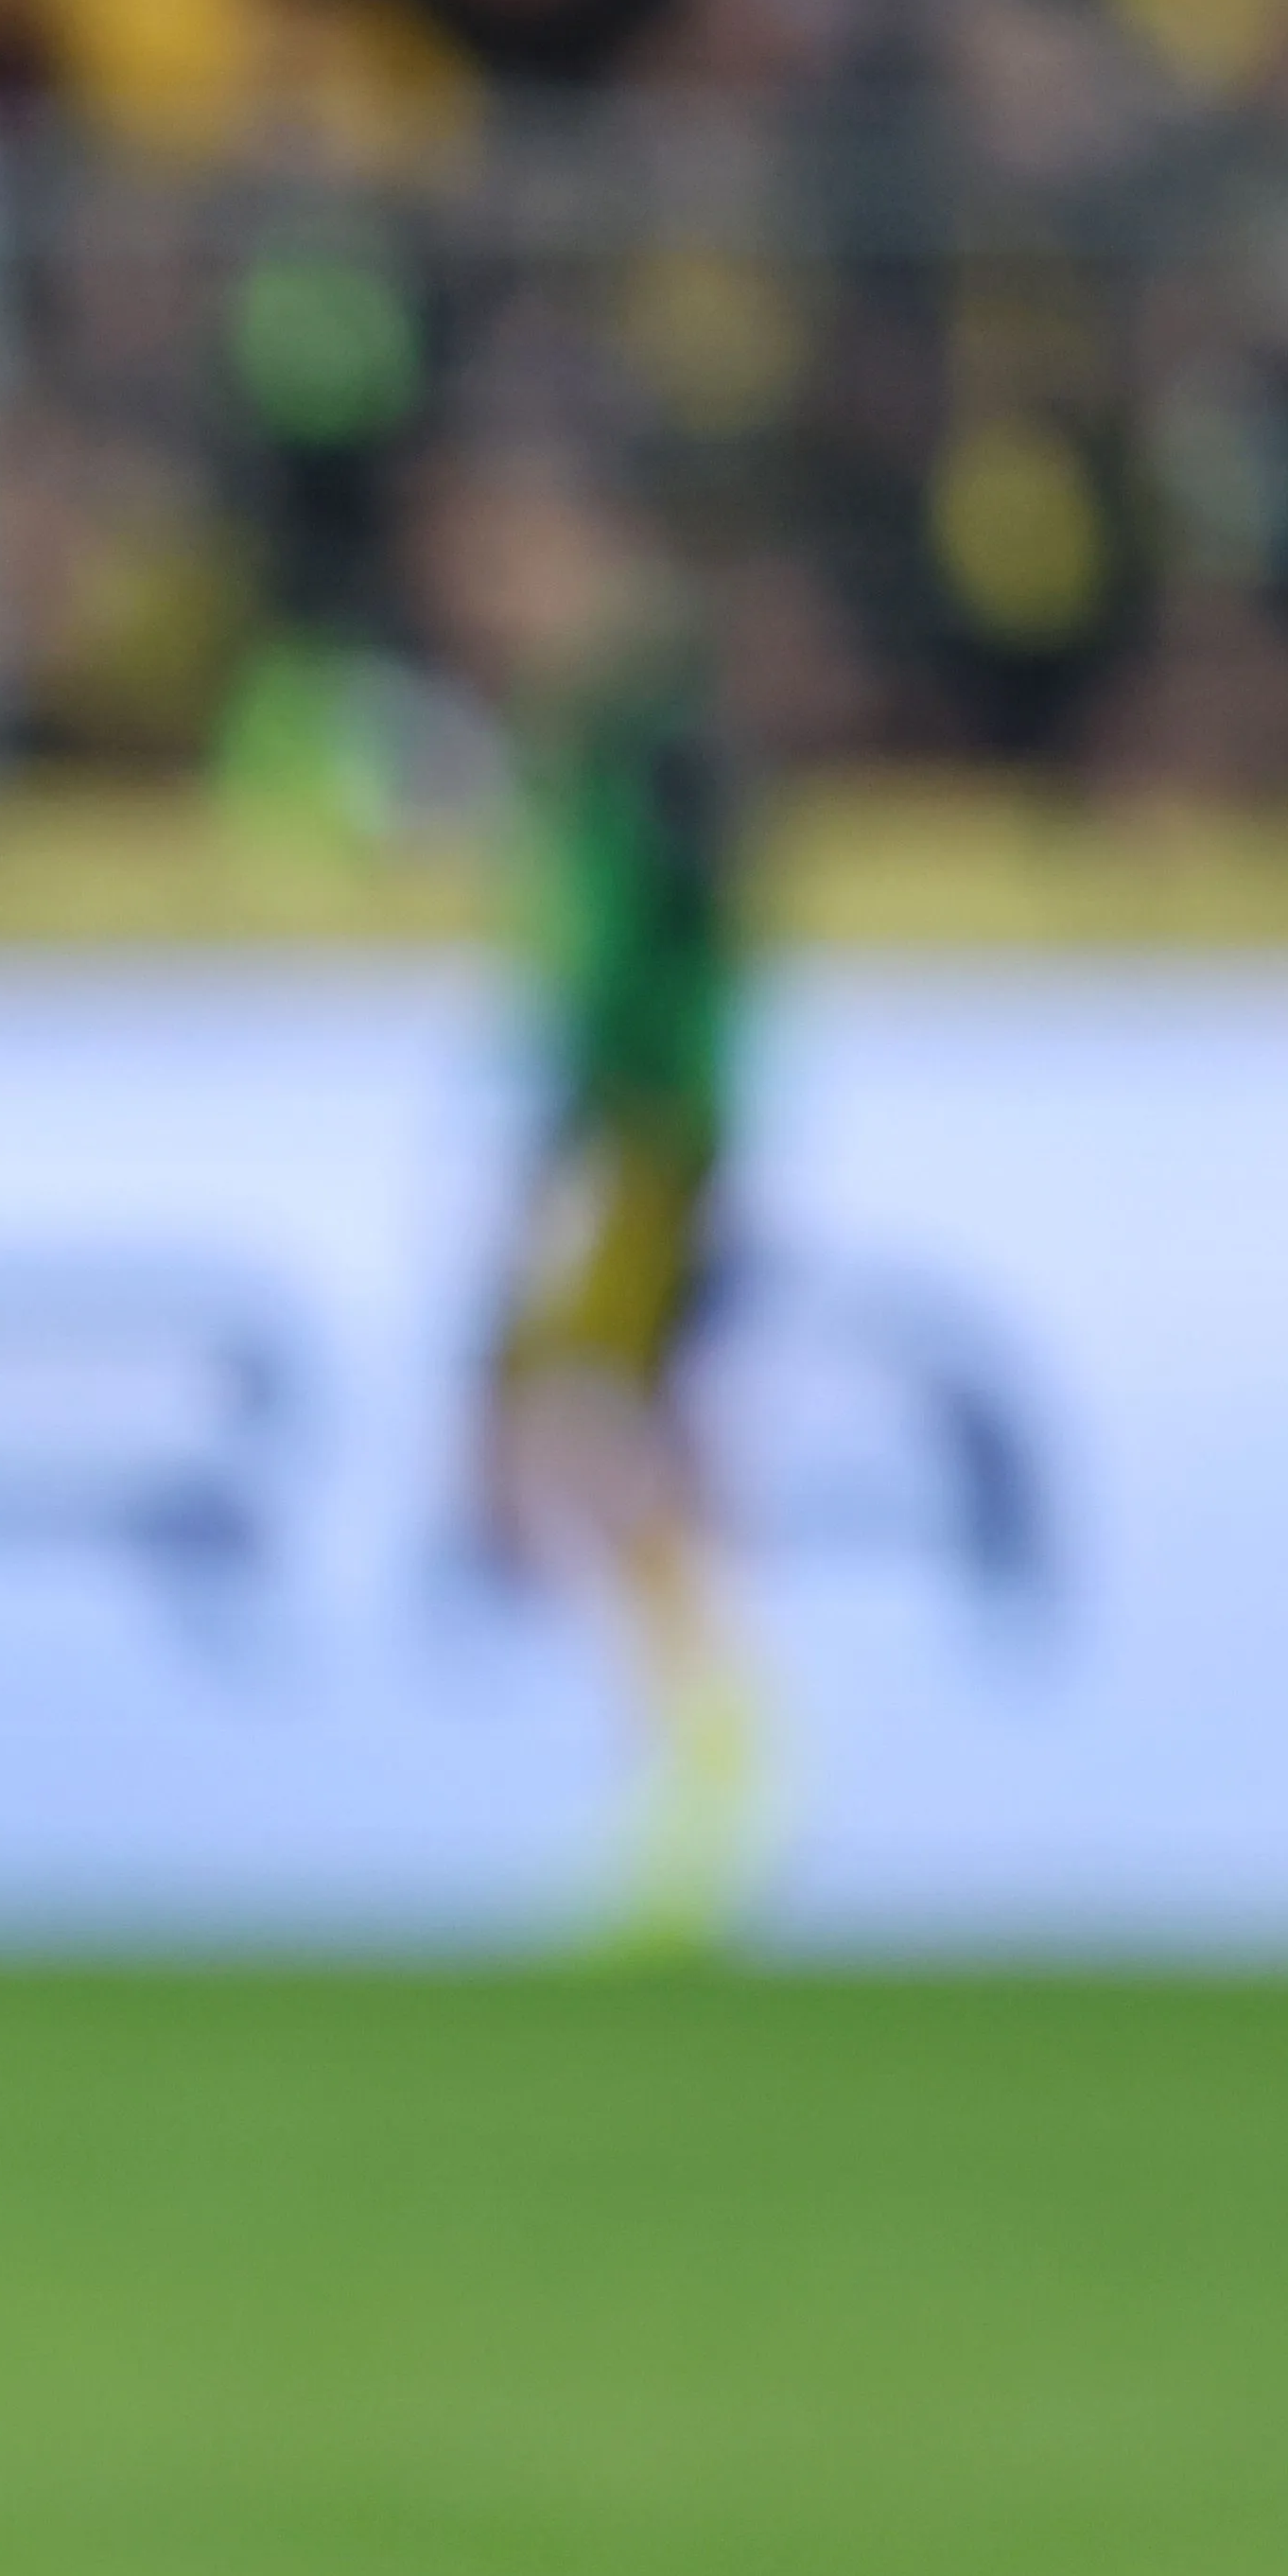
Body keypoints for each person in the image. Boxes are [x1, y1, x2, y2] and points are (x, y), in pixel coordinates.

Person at [443, 464, 759, 1946]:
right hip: (625, 1126)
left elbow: (645, 976)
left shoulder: (651, 769)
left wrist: (599, 1125)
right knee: (609, 1416)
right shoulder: (587, 767)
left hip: (632, 1133)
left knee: (575, 1418)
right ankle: (690, 1736)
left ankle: (707, 1737)